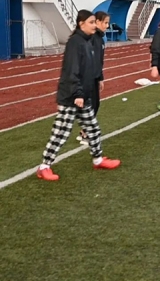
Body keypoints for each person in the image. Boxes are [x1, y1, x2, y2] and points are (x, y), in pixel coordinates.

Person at [37, 10, 121, 181]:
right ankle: (44, 166)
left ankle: (98, 159)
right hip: (72, 97)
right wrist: (77, 94)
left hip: (84, 95)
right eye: (91, 22)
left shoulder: (88, 42)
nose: (94, 25)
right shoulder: (76, 43)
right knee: (61, 132)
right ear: (81, 24)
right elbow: (72, 70)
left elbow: (89, 69)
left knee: (93, 129)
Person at [77, 10, 109, 145]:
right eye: (105, 23)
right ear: (97, 22)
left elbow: (99, 61)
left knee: (94, 104)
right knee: (90, 105)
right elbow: (91, 60)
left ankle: (85, 131)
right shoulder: (93, 39)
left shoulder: (100, 39)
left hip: (94, 77)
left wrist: (100, 77)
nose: (107, 26)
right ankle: (85, 133)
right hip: (88, 78)